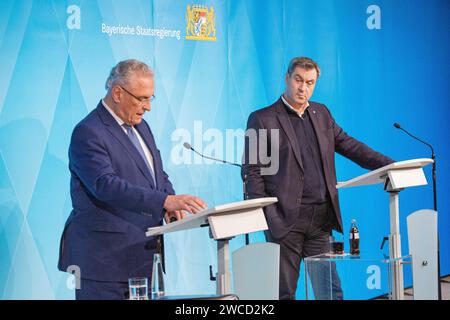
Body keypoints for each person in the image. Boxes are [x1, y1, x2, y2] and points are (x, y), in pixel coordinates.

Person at [242, 56, 394, 300]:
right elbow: (252, 171)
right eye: (298, 80)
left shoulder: (321, 113)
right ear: (287, 79)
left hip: (321, 220)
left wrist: (389, 165)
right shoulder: (262, 119)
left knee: (330, 292)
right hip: (284, 221)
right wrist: (268, 218)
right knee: (283, 293)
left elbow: (349, 145)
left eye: (310, 82)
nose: (303, 88)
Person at [58, 59, 207, 300]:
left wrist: (169, 204)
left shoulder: (142, 126)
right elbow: (105, 185)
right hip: (104, 264)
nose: (147, 106)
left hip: (142, 259)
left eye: (151, 98)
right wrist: (164, 201)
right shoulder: (88, 132)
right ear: (117, 93)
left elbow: (157, 174)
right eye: (142, 98)